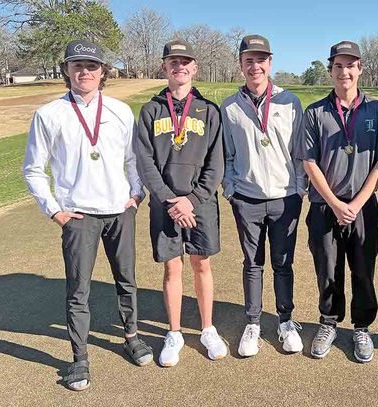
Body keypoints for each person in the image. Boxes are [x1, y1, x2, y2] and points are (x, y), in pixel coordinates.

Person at [22, 40, 152, 391]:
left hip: (120, 212)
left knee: (127, 280)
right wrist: (55, 211)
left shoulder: (121, 110)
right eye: (76, 65)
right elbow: (33, 169)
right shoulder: (49, 114)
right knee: (78, 290)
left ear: (103, 72)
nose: (84, 72)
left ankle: (132, 337)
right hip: (79, 217)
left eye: (92, 66)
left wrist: (136, 193)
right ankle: (79, 359)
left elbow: (132, 159)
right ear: (66, 69)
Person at [300, 41, 378, 362]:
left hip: (364, 208)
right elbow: (309, 162)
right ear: (330, 70)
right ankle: (329, 322)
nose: (345, 71)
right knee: (327, 271)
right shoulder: (315, 112)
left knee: (363, 270)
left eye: (351, 65)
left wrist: (356, 204)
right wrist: (334, 203)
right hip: (324, 206)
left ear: (360, 69)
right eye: (338, 66)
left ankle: (361, 327)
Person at [136, 39, 227, 367]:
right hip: (165, 204)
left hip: (199, 203)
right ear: (165, 66)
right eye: (173, 62)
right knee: (172, 266)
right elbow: (144, 161)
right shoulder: (150, 110)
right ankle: (173, 332)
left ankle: (207, 329)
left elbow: (216, 164)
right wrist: (168, 199)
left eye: (186, 62)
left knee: (201, 263)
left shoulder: (208, 110)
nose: (180, 67)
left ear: (194, 67)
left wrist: (191, 199)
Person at [221, 34, 307, 357]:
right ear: (241, 64)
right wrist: (231, 190)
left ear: (270, 63)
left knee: (283, 263)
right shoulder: (229, 107)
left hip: (286, 199)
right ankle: (253, 323)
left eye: (261, 60)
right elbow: (227, 156)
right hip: (247, 199)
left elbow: (300, 153)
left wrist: (300, 189)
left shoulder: (290, 102)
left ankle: (285, 321)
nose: (255, 66)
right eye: (249, 60)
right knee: (252, 263)